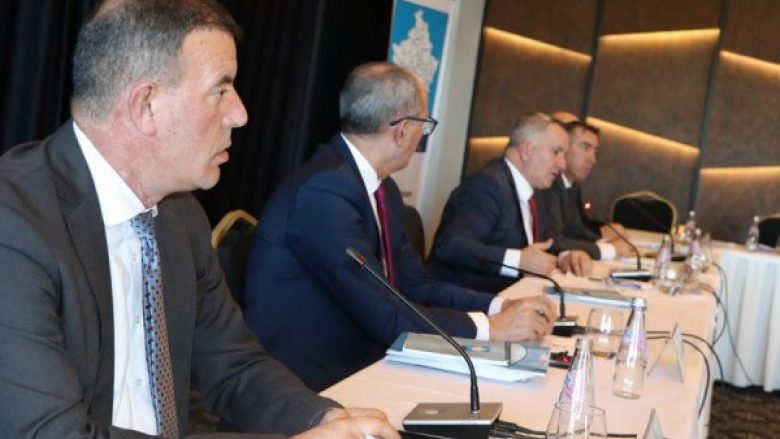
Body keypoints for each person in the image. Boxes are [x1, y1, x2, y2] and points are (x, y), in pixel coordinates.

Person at [0, 1, 398, 437]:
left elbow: (235, 366)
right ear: (146, 105)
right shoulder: (14, 223)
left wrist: (324, 419)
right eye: (220, 90)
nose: (240, 114)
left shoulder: (180, 214)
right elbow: (53, 433)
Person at [242, 62, 557, 392]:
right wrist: (490, 328)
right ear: (403, 130)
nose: (422, 136)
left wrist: (497, 306)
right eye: (425, 125)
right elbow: (383, 311)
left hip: (366, 359)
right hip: (310, 381)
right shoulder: (323, 193)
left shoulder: (383, 190)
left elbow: (416, 285)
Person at [428, 112, 592, 294]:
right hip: (465, 301)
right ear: (526, 150)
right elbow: (451, 246)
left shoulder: (535, 191)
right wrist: (519, 261)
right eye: (556, 152)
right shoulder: (487, 185)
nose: (562, 164)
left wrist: (565, 256)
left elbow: (542, 241)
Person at [541, 110, 633, 260]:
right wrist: (609, 249)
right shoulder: (548, 184)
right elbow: (553, 242)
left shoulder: (572, 186)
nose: (592, 159)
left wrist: (603, 242)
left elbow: (577, 230)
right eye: (585, 147)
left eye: (595, 151)